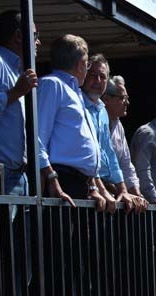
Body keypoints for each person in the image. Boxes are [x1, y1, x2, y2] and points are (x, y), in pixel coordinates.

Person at [36, 33, 104, 209]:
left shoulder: (75, 91)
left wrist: (92, 186)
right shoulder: (52, 85)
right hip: (62, 181)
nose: (87, 68)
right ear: (80, 63)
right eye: (87, 64)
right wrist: (52, 178)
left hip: (80, 185)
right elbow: (37, 138)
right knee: (62, 236)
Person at [0, 9, 40, 196]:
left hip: (20, 174)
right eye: (35, 35)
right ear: (18, 36)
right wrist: (16, 92)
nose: (38, 41)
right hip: (0, 173)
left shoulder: (17, 70)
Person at [81, 54, 144, 214]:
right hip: (86, 187)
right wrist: (101, 189)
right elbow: (86, 155)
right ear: (84, 75)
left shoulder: (101, 111)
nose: (98, 81)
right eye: (93, 75)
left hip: (105, 192)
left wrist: (124, 189)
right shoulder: (77, 104)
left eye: (102, 77)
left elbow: (111, 156)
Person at [102, 75, 144, 199]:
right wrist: (121, 192)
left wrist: (137, 194)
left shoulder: (118, 125)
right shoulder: (94, 119)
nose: (127, 102)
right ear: (106, 99)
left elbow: (126, 164)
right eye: (123, 98)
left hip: (115, 197)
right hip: (97, 196)